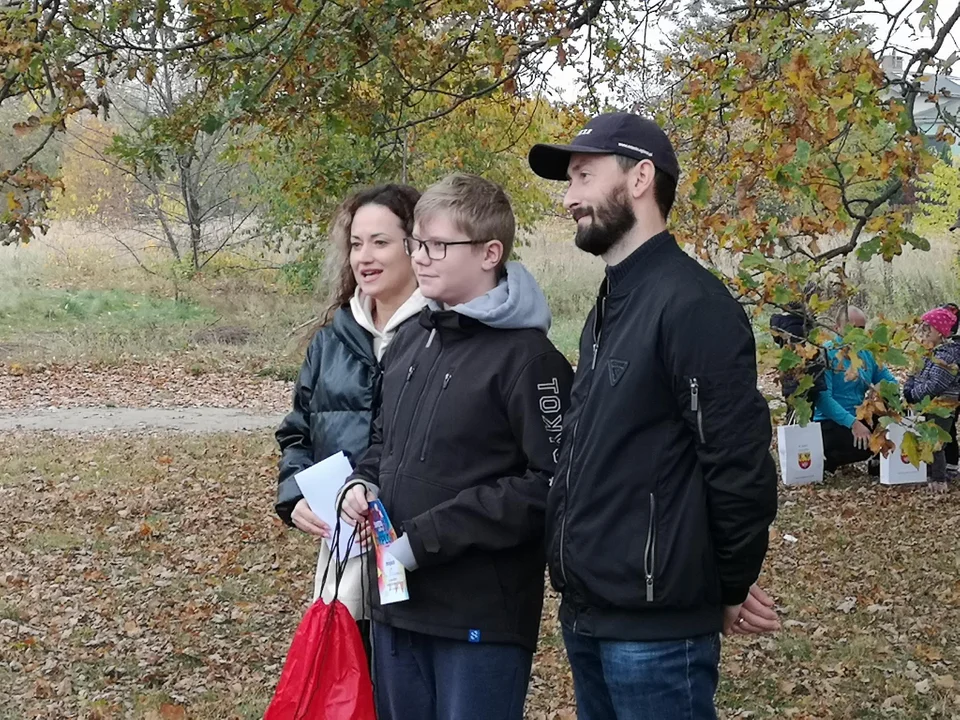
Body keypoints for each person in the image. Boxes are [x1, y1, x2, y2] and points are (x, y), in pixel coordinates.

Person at [528, 112, 779, 720]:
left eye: (584, 176)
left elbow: (740, 467)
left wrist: (726, 587)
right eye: (570, 181)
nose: (569, 198)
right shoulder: (612, 300)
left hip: (657, 634)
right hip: (590, 615)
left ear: (641, 177)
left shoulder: (693, 305)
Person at [339, 173, 574, 720]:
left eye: (439, 245)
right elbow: (383, 442)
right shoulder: (411, 340)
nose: (421, 258)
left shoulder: (531, 362)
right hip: (396, 609)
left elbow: (551, 485)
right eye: (418, 243)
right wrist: (361, 482)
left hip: (479, 619)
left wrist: (425, 540)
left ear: (491, 252)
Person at [274, 183, 427, 640]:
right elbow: (297, 431)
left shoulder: (445, 336)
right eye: (357, 244)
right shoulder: (331, 340)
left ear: (415, 245)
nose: (365, 257)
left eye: (380, 242)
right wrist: (293, 497)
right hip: (344, 558)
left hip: (418, 556)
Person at [814, 305, 897, 475]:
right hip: (831, 422)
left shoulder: (867, 353)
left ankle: (876, 460)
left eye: (861, 328)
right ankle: (829, 458)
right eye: (852, 328)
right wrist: (853, 423)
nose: (857, 333)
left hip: (860, 415)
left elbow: (891, 383)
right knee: (860, 445)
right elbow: (823, 399)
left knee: (887, 402)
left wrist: (882, 390)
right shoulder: (826, 354)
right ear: (837, 328)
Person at [904, 305, 960, 493]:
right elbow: (913, 374)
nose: (924, 333)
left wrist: (915, 393)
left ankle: (938, 478)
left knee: (935, 440)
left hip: (941, 404)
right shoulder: (925, 354)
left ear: (941, 333)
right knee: (924, 437)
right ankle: (925, 473)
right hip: (924, 403)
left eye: (929, 329)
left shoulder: (946, 355)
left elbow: (936, 384)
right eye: (923, 329)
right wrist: (908, 389)